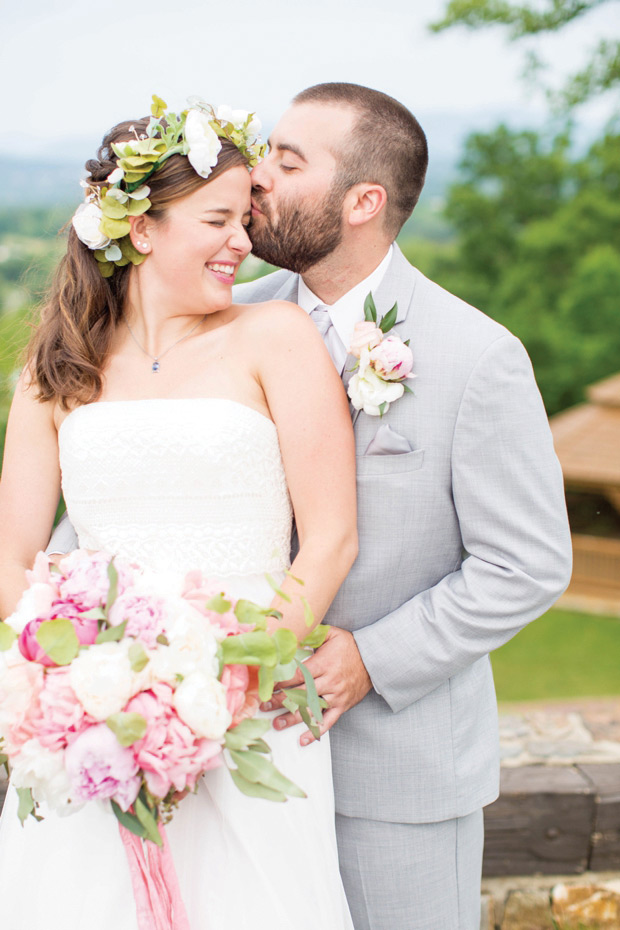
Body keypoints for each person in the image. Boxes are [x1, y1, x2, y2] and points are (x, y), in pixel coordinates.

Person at [0, 99, 358, 930]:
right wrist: (63, 692)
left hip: (251, 712)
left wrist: (231, 681)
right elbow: (13, 554)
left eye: (249, 218)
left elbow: (332, 536)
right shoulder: (56, 366)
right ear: (143, 228)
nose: (244, 241)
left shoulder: (276, 338)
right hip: (91, 732)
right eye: (219, 220)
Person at [231, 83, 573, 930]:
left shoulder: (476, 356)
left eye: (288, 161)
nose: (257, 178)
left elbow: (526, 565)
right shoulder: (229, 326)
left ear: (364, 202)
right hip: (237, 764)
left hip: (396, 778)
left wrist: (373, 658)